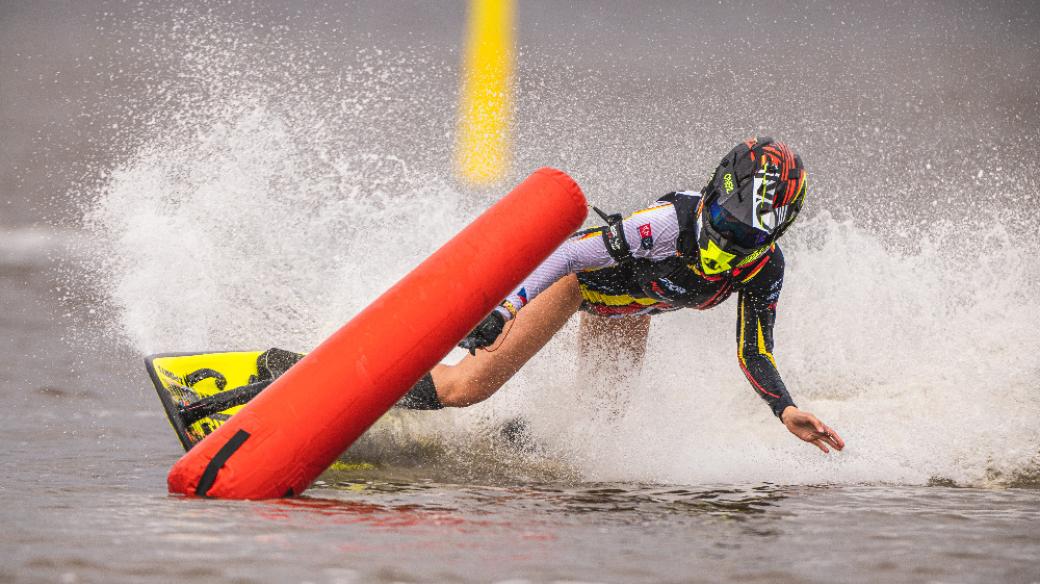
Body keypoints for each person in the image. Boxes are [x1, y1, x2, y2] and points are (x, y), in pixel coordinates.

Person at [397, 137, 845, 454]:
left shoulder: (765, 267)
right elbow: (573, 254)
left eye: (746, 238)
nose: (729, 244)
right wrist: (506, 309)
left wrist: (784, 408)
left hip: (628, 312)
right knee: (468, 387)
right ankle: (369, 400)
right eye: (726, 226)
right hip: (575, 284)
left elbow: (754, 350)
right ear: (713, 192)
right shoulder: (670, 222)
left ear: (772, 237)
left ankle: (509, 439)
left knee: (595, 428)